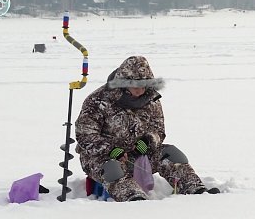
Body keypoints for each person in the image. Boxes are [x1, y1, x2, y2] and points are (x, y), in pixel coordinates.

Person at [75, 56, 219, 202]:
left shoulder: (151, 99)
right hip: (101, 157)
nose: (140, 91)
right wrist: (111, 150)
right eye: (136, 87)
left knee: (171, 154)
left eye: (144, 86)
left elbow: (158, 128)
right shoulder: (98, 100)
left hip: (138, 155)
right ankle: (134, 199)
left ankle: (196, 189)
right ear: (124, 84)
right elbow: (85, 135)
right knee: (113, 169)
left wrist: (148, 141)